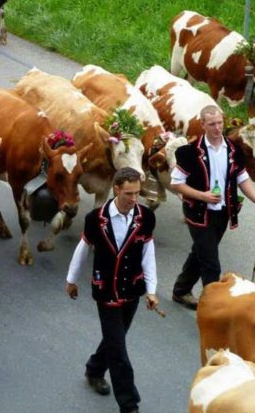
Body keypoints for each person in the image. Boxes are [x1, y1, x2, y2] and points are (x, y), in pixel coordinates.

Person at [65, 167, 159, 413]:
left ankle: (94, 369)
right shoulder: (95, 219)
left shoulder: (146, 217)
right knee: (118, 351)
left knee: (115, 339)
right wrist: (72, 279)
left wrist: (151, 290)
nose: (134, 199)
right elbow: (83, 248)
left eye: (137, 193)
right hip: (106, 291)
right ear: (116, 189)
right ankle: (129, 405)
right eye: (129, 193)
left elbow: (148, 254)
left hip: (132, 290)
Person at [170, 105, 255, 310]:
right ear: (202, 125)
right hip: (199, 214)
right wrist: (203, 196)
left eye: (219, 123)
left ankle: (181, 290)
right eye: (212, 124)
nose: (217, 128)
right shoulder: (189, 152)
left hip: (223, 213)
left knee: (201, 252)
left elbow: (241, 178)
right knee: (211, 264)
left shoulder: (233, 149)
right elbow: (176, 183)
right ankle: (212, 310)